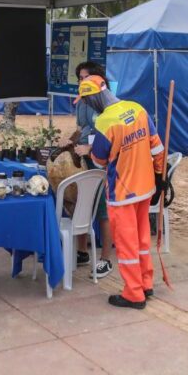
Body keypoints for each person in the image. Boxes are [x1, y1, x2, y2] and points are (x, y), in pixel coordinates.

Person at [74, 75, 165, 309]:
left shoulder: (105, 123)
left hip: (122, 194)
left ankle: (134, 294)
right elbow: (157, 146)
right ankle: (146, 283)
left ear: (92, 98)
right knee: (143, 240)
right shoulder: (137, 109)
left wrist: (92, 150)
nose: (86, 106)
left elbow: (99, 160)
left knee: (127, 246)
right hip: (145, 188)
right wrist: (159, 176)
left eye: (85, 101)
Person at [73, 61, 114, 279]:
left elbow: (107, 134)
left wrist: (90, 149)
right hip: (83, 160)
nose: (81, 82)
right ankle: (82, 251)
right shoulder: (81, 101)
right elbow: (80, 128)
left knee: (102, 211)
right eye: (79, 78)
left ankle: (106, 259)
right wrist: (69, 141)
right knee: (81, 203)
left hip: (100, 162)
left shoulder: (107, 103)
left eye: (85, 78)